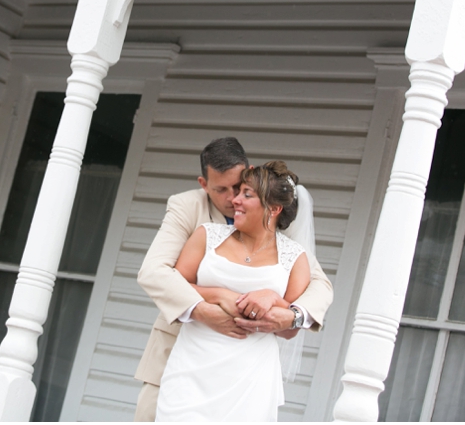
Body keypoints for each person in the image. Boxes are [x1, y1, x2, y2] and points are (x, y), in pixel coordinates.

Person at [135, 138, 332, 421]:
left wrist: (290, 315)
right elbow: (154, 272)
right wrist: (207, 307)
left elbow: (319, 285)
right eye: (220, 189)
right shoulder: (187, 208)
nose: (232, 198)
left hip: (248, 370)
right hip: (180, 354)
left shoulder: (270, 207)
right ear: (204, 184)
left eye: (238, 188)